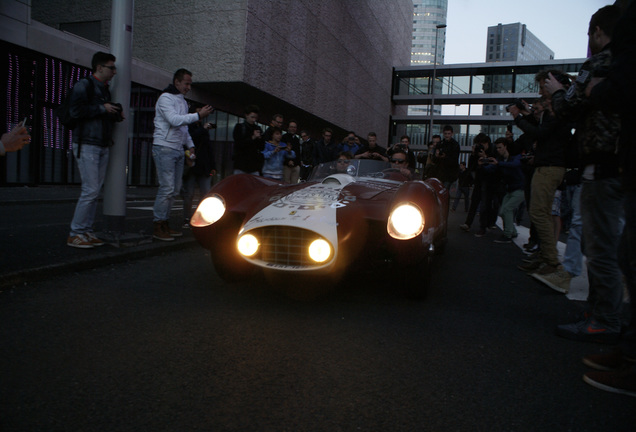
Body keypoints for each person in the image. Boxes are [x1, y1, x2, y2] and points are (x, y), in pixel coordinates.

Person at [538, 5, 621, 303]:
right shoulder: (625, 62)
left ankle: (603, 318)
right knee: (611, 237)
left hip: (600, 161)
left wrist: (559, 91)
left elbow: (568, 108)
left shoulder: (599, 62)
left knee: (597, 242)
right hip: (619, 163)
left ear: (597, 31)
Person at [511, 70, 572, 276]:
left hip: (550, 167)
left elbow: (541, 133)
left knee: (538, 212)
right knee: (541, 213)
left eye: (542, 86)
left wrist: (518, 118)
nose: (540, 91)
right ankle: (545, 257)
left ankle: (551, 261)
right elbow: (542, 130)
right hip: (547, 165)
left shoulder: (558, 106)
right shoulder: (554, 107)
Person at [67, 51, 124, 249]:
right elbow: (75, 111)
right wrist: (103, 108)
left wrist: (112, 111)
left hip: (99, 143)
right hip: (87, 143)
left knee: (93, 191)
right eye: (111, 67)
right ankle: (76, 232)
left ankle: (85, 231)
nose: (115, 71)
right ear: (99, 67)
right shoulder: (85, 85)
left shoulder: (103, 89)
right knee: (90, 190)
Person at [151, 68, 213, 241]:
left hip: (177, 148)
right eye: (186, 83)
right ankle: (158, 224)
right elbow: (174, 120)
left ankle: (164, 223)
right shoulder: (165, 98)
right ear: (176, 82)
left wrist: (190, 146)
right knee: (168, 188)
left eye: (189, 84)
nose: (188, 87)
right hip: (164, 147)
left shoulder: (181, 101)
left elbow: (183, 127)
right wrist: (198, 115)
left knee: (174, 189)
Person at [483, 138, 525, 243]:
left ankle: (507, 235)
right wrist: (483, 164)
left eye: (500, 147)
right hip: (511, 190)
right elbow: (492, 168)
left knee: (506, 210)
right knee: (502, 212)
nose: (498, 150)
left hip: (519, 189)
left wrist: (497, 164)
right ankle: (513, 232)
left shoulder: (515, 157)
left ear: (506, 147)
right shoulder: (501, 161)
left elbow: (515, 165)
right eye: (497, 148)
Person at [181, 107, 216, 228]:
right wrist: (203, 129)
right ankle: (187, 218)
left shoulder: (202, 129)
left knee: (206, 193)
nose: (201, 115)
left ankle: (202, 218)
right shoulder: (187, 127)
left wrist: (213, 165)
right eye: (198, 112)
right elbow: (191, 139)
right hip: (191, 165)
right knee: (189, 194)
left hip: (204, 166)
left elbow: (208, 149)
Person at [460, 133, 492, 233]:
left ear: (486, 143)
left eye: (481, 144)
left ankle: (484, 226)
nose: (480, 147)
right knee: (474, 203)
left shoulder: (493, 151)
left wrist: (485, 156)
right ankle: (468, 224)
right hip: (478, 181)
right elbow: (471, 168)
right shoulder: (476, 154)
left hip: (488, 182)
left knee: (485, 205)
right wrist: (473, 155)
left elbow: (493, 166)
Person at [232, 104, 263, 175]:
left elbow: (261, 147)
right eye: (252, 117)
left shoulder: (258, 128)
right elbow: (239, 144)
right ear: (246, 115)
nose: (254, 120)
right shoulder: (239, 127)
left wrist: (260, 138)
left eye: (255, 118)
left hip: (254, 166)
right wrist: (253, 138)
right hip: (241, 165)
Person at [431, 125, 460, 191]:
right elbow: (434, 159)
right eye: (446, 134)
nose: (447, 135)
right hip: (440, 173)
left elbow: (454, 160)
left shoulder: (454, 145)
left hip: (449, 174)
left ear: (452, 134)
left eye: (448, 134)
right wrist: (437, 156)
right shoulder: (440, 144)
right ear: (443, 134)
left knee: (444, 191)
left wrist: (444, 157)